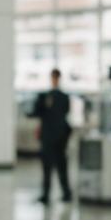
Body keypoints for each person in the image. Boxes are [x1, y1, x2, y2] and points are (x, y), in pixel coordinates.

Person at [30, 66, 73, 204]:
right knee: (50, 167)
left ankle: (64, 193)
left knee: (59, 166)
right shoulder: (52, 97)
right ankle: (50, 194)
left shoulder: (53, 97)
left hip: (54, 137)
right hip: (55, 136)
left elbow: (37, 112)